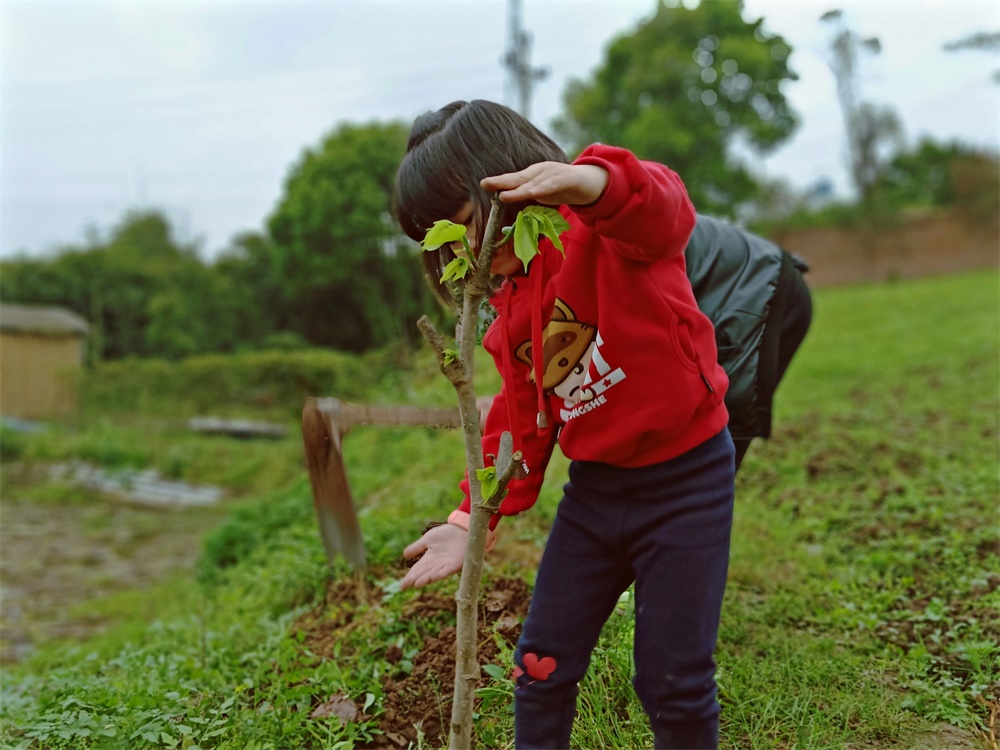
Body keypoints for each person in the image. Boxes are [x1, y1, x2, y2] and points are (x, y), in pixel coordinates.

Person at [394, 99, 736, 750]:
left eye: (472, 222)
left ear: (519, 182)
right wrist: (472, 520)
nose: (469, 249)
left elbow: (667, 210)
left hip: (688, 480)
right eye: (445, 241)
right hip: (598, 495)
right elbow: (520, 419)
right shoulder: (508, 308)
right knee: (538, 665)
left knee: (671, 679)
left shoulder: (606, 228)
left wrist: (595, 182)